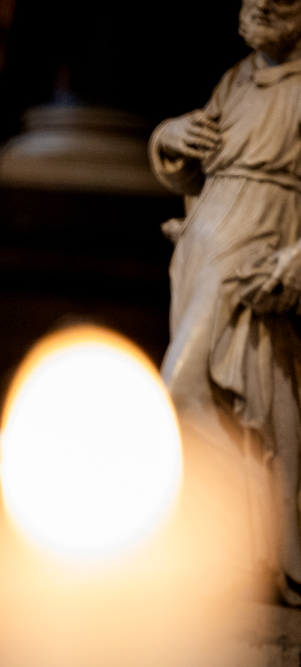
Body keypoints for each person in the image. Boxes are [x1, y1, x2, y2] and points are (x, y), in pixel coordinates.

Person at [149, 0, 301, 603]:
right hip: (202, 249)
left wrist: (295, 259)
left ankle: (258, 532)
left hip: (253, 248)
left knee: (183, 388)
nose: (259, 4)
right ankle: (239, 550)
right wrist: (170, 137)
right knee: (227, 400)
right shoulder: (238, 78)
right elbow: (200, 164)